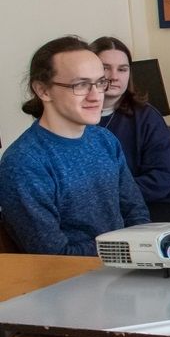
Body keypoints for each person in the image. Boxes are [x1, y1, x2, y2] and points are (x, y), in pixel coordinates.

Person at [0, 36, 149, 255]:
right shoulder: (23, 163)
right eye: (80, 85)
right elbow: (54, 255)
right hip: (75, 274)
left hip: (128, 264)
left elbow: (136, 213)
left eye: (100, 83)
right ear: (43, 90)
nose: (96, 96)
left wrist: (142, 249)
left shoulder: (105, 140)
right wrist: (126, 248)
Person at [90, 36, 170, 222]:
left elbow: (162, 179)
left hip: (151, 208)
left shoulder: (147, 118)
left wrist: (106, 195)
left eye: (122, 69)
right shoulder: (75, 119)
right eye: (105, 68)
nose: (114, 76)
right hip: (95, 211)